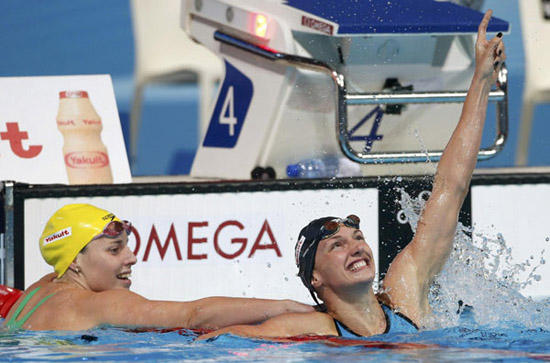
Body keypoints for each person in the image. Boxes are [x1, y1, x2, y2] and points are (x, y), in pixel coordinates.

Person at [199, 10, 506, 340]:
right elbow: (223, 339)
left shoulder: (405, 296)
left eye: (358, 239)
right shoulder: (313, 328)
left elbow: (452, 185)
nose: (356, 247)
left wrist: (481, 80)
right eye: (337, 246)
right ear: (315, 277)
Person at [2, 203, 313, 331]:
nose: (132, 257)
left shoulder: (39, 290)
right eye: (115, 249)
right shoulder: (99, 303)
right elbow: (194, 315)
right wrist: (286, 305)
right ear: (75, 262)